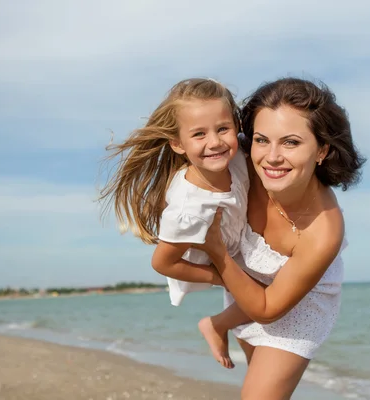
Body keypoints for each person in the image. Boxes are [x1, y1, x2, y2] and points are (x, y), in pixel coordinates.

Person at [197, 77, 365, 399]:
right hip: (246, 280)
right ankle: (217, 323)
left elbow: (268, 308)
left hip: (297, 306)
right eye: (262, 140)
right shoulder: (243, 157)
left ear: (322, 150)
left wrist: (217, 252)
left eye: (290, 143)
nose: (271, 157)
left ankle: (218, 323)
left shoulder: (324, 229)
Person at [98, 78, 254, 369]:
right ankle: (214, 325)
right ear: (178, 144)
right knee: (262, 299)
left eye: (223, 128)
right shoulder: (189, 206)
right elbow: (162, 264)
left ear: (236, 126)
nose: (215, 142)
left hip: (241, 246)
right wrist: (218, 276)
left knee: (260, 317)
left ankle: (226, 332)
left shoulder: (239, 157)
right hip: (213, 262)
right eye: (199, 134)